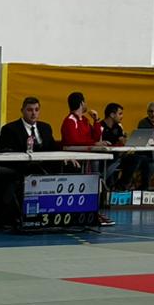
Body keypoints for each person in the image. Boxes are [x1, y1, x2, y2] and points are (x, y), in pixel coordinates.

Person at [0, 96, 58, 226]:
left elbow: (53, 148)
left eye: (36, 110)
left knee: (70, 168)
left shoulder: (45, 128)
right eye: (30, 110)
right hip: (21, 167)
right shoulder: (10, 129)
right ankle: (15, 214)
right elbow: (4, 151)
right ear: (22, 110)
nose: (33, 113)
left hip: (44, 166)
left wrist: (67, 156)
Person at [59, 92, 115, 225]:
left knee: (97, 179)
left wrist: (96, 121)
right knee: (93, 180)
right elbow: (72, 141)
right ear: (82, 103)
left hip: (89, 158)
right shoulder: (69, 121)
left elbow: (95, 137)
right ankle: (86, 212)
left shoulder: (84, 120)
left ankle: (94, 211)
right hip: (77, 160)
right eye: (85, 102)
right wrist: (94, 144)